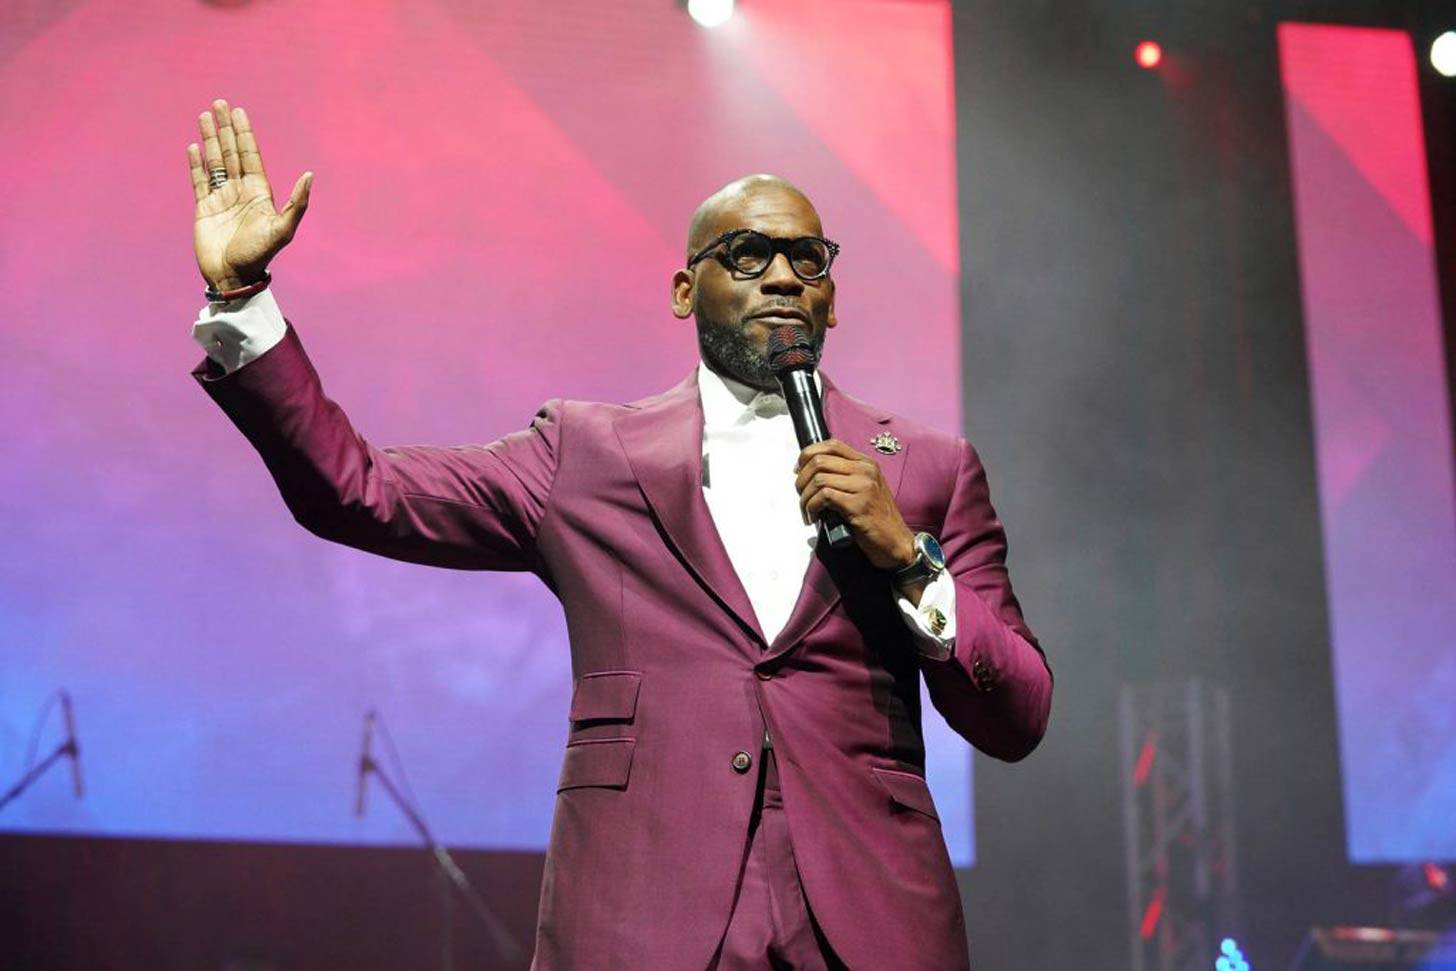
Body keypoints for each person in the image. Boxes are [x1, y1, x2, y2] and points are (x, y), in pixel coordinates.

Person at [185, 98, 1052, 971]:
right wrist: (242, 301)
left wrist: (908, 560)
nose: (784, 277)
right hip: (645, 913)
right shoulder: (588, 453)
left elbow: (1018, 715)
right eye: (748, 254)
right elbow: (357, 489)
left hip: (869, 918)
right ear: (684, 290)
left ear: (831, 298)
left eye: (807, 259)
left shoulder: (927, 469)